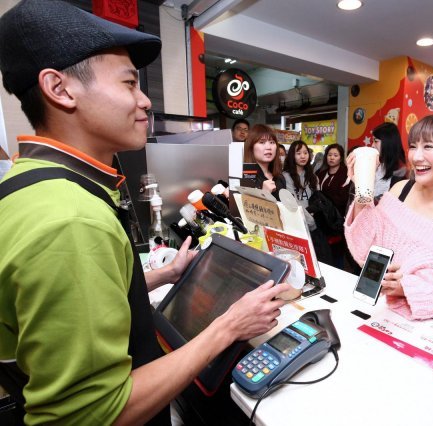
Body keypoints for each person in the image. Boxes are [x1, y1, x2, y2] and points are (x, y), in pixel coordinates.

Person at [0, 1, 290, 424]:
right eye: (129, 83)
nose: (144, 101)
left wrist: (164, 275)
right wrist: (229, 326)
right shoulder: (72, 220)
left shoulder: (30, 182)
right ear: (59, 89)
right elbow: (94, 413)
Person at [345, 99, 433, 320]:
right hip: (373, 308)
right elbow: (364, 247)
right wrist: (361, 190)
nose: (416, 157)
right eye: (414, 146)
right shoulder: (400, 189)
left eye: (429, 147)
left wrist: (404, 288)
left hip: (417, 321)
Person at [315, 143, 352, 267]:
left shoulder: (346, 173)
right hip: (322, 219)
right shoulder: (321, 173)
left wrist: (324, 199)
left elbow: (343, 197)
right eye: (329, 155)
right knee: (323, 251)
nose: (332, 158)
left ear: (341, 158)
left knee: (337, 252)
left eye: (335, 155)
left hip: (338, 219)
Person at [371, 122, 407, 201]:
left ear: (388, 142)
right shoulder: (377, 164)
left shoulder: (402, 171)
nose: (372, 145)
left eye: (376, 141)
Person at [243, 124, 283, 196]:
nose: (268, 147)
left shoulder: (280, 178)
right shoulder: (245, 177)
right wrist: (264, 193)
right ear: (251, 147)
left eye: (272, 142)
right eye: (262, 142)